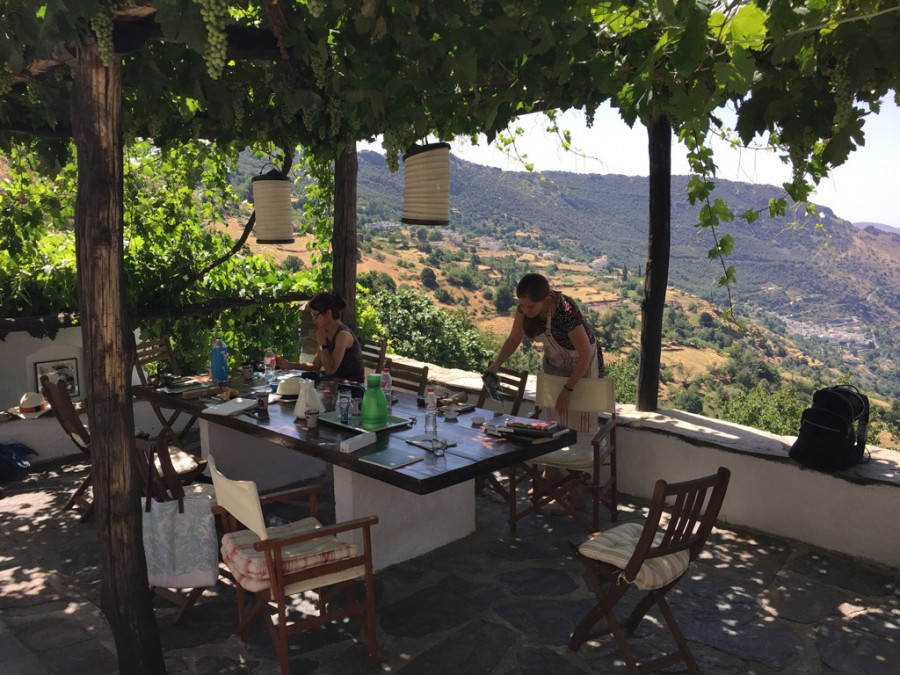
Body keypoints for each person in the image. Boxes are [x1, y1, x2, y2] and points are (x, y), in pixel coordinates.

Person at [485, 273, 603, 510]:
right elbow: (514, 338)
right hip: (555, 363)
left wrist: (569, 388)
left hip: (582, 365)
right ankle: (551, 477)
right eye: (521, 305)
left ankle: (575, 489)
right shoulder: (525, 309)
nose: (525, 310)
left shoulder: (566, 313)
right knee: (551, 419)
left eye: (530, 306)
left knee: (579, 423)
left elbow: (586, 354)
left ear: (546, 300)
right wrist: (495, 365)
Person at [275, 292, 365, 383]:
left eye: (316, 315)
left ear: (328, 313)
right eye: (312, 315)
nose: (313, 319)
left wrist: (322, 342)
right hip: (334, 384)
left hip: (351, 389)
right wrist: (288, 365)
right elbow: (315, 366)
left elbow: (330, 370)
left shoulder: (343, 335)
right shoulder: (325, 332)